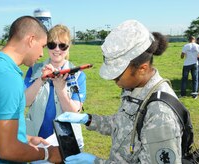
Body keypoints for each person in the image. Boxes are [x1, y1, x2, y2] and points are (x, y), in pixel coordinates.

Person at [56, 20, 183, 163]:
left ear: (142, 68)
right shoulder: (133, 89)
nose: (113, 80)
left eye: (117, 75)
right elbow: (121, 125)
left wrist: (96, 162)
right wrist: (88, 119)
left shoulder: (160, 114)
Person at [0, 16, 61, 163]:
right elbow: (8, 150)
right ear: (31, 40)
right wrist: (47, 153)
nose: (42, 54)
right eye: (42, 46)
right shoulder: (8, 77)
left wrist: (25, 137)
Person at [24, 24, 86, 150]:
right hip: (37, 138)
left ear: (68, 48)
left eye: (62, 45)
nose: (57, 49)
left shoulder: (78, 75)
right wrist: (41, 79)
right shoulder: (34, 69)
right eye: (52, 44)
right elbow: (25, 101)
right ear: (47, 46)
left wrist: (60, 89)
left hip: (66, 140)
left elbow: (74, 112)